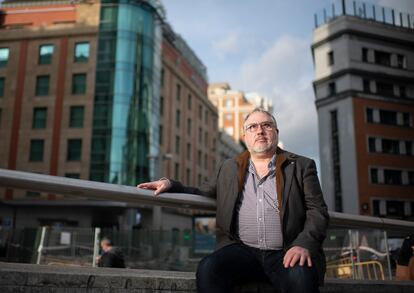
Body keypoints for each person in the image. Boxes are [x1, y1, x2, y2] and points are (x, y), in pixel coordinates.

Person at [138, 108, 329, 293]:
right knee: (208, 268)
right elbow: (201, 191)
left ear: (276, 132)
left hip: (286, 251)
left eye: (266, 125)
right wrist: (170, 184)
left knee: (302, 277)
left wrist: (303, 244)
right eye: (252, 127)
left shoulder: (302, 166)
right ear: (244, 136)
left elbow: (317, 211)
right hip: (242, 252)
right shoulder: (229, 167)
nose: (260, 131)